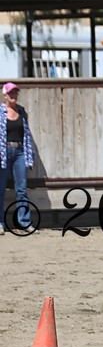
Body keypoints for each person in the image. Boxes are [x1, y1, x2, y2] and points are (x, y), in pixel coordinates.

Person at [0, 82, 35, 234]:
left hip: (20, 151)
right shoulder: (0, 113)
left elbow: (26, 135)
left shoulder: (22, 111)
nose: (14, 95)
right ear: (4, 95)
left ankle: (24, 222)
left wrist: (30, 156)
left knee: (21, 189)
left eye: (15, 92)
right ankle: (0, 223)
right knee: (0, 189)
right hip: (4, 152)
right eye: (11, 93)